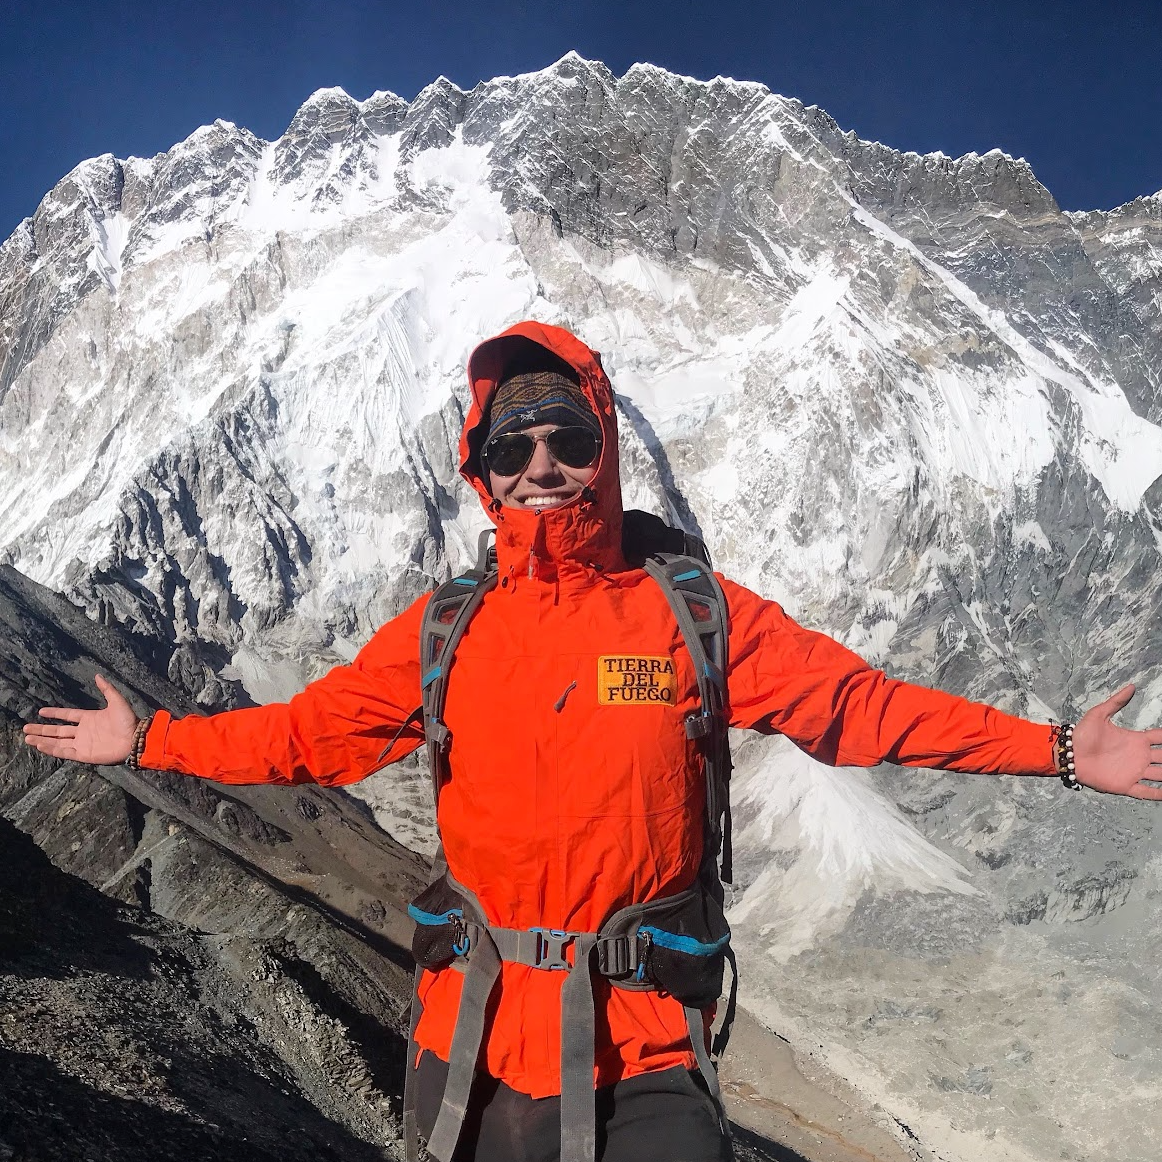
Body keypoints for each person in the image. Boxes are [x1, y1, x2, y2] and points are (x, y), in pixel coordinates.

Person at [23, 320, 1162, 1162]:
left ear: (602, 446)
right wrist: (151, 739)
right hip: (469, 1040)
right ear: (480, 472)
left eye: (563, 438)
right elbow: (304, 739)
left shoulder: (691, 615)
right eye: (510, 450)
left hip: (643, 1047)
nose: (539, 468)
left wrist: (1061, 751)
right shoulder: (446, 630)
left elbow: (861, 707)